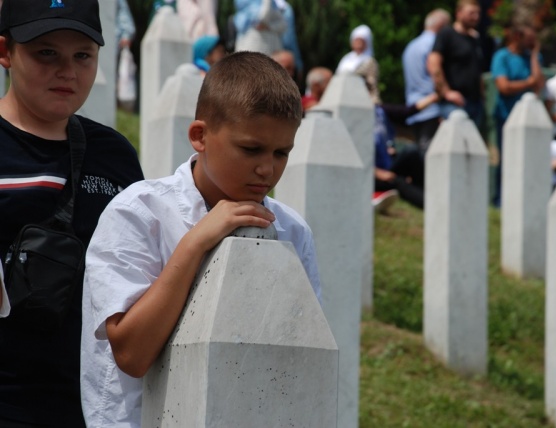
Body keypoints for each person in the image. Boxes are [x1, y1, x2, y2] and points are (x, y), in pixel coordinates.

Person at [80, 51, 321, 428]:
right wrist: (195, 243)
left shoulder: (292, 231)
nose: (267, 168)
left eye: (281, 153)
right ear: (200, 136)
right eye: (251, 149)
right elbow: (131, 354)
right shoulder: (139, 213)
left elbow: (300, 359)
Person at [0, 0, 144, 426]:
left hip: (96, 407)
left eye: (83, 55)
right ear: (5, 51)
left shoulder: (115, 156)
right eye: (47, 52)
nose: (68, 71)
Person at [490, 23, 543, 207]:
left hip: (529, 120)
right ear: (517, 37)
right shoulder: (502, 57)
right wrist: (528, 82)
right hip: (505, 117)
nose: (532, 43)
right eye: (530, 40)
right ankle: (499, 199)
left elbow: (538, 84)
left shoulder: (532, 58)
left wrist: (535, 55)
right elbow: (503, 87)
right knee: (505, 158)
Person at [428, 0, 485, 130]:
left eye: (478, 13)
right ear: (459, 13)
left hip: (475, 102)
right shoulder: (447, 34)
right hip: (453, 104)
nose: (476, 17)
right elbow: (433, 63)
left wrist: (482, 95)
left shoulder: (474, 39)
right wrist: (446, 92)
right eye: (471, 13)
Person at [402, 8, 451, 155]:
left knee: (421, 153)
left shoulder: (411, 46)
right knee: (431, 158)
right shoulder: (434, 45)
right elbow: (435, 70)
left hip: (414, 107)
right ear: (441, 25)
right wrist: (445, 93)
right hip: (432, 108)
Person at [336, 24, 380, 104]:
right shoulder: (346, 59)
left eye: (361, 41)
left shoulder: (369, 61)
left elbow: (371, 83)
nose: (358, 44)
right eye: (356, 40)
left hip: (362, 98)